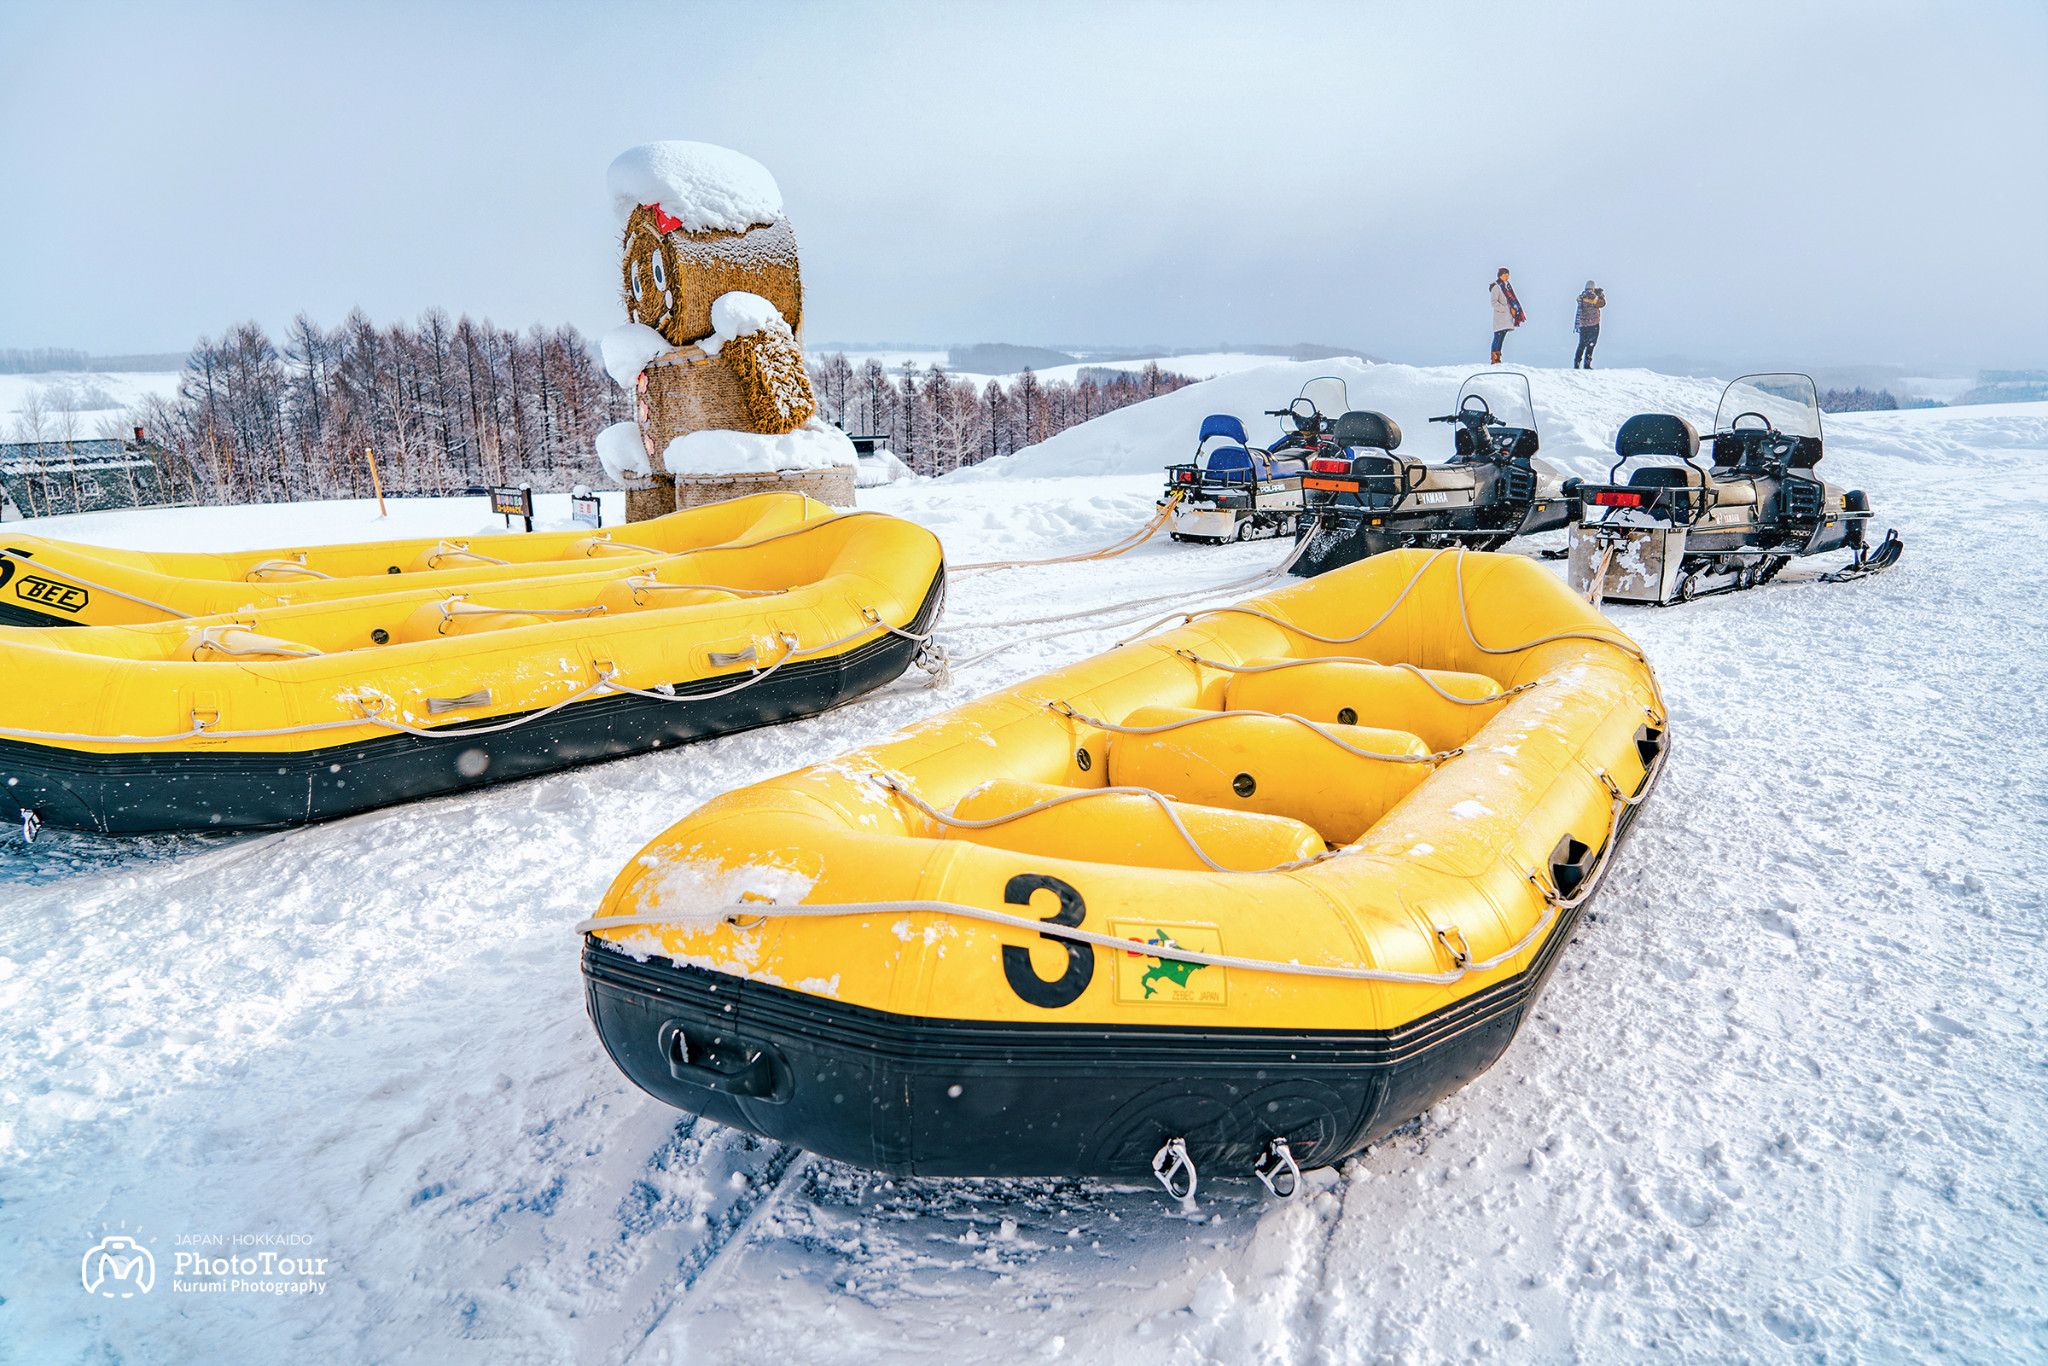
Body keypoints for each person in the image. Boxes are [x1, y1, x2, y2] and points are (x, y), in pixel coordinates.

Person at [1489, 268, 1523, 364]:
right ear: (1500, 275)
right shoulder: (1497, 287)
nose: (1507, 277)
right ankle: (1494, 358)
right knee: (1498, 336)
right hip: (1500, 317)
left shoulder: (1507, 287)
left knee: (1502, 336)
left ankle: (1498, 357)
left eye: (1508, 275)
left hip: (1506, 317)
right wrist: (1504, 309)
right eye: (1505, 275)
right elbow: (1494, 302)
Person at [1574, 281, 1606, 368]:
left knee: (1581, 344)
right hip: (1593, 324)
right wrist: (1600, 295)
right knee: (1591, 344)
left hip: (1583, 324)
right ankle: (1587, 364)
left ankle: (1577, 363)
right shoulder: (1593, 297)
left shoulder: (1581, 296)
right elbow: (1602, 303)